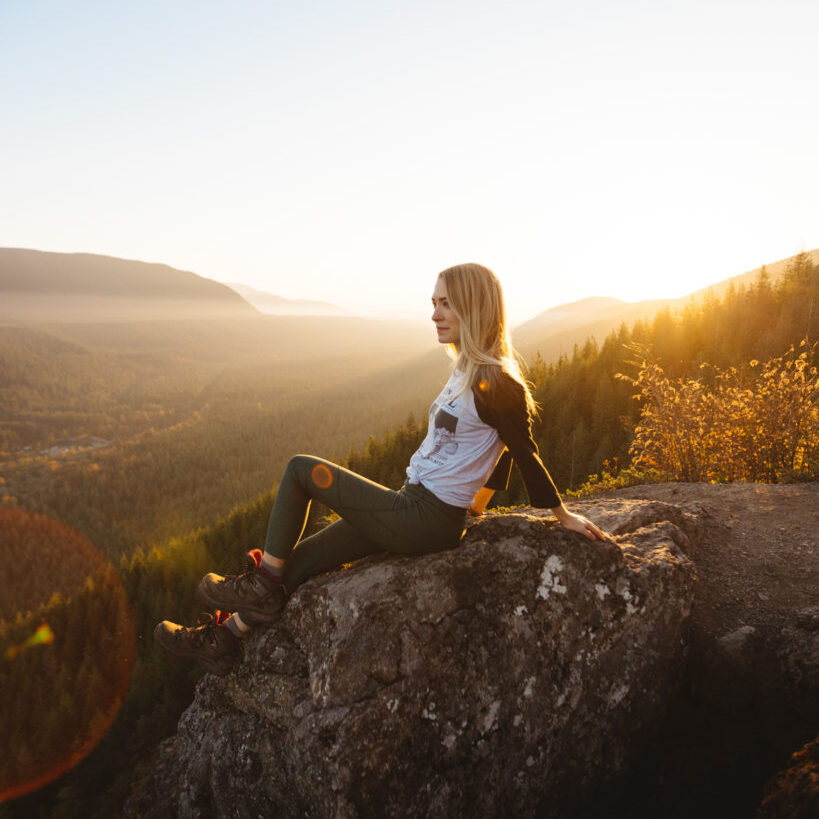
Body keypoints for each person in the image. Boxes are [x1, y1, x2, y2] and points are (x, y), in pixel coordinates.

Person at [154, 263, 606, 675]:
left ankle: (262, 583)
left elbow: (522, 450)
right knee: (303, 560)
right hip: (411, 506)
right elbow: (498, 450)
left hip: (425, 519)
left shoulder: (497, 380)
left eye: (446, 303)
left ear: (475, 307)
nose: (434, 313)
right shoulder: (466, 369)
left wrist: (561, 515)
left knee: (300, 470)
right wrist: (477, 504)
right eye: (433, 303)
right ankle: (224, 639)